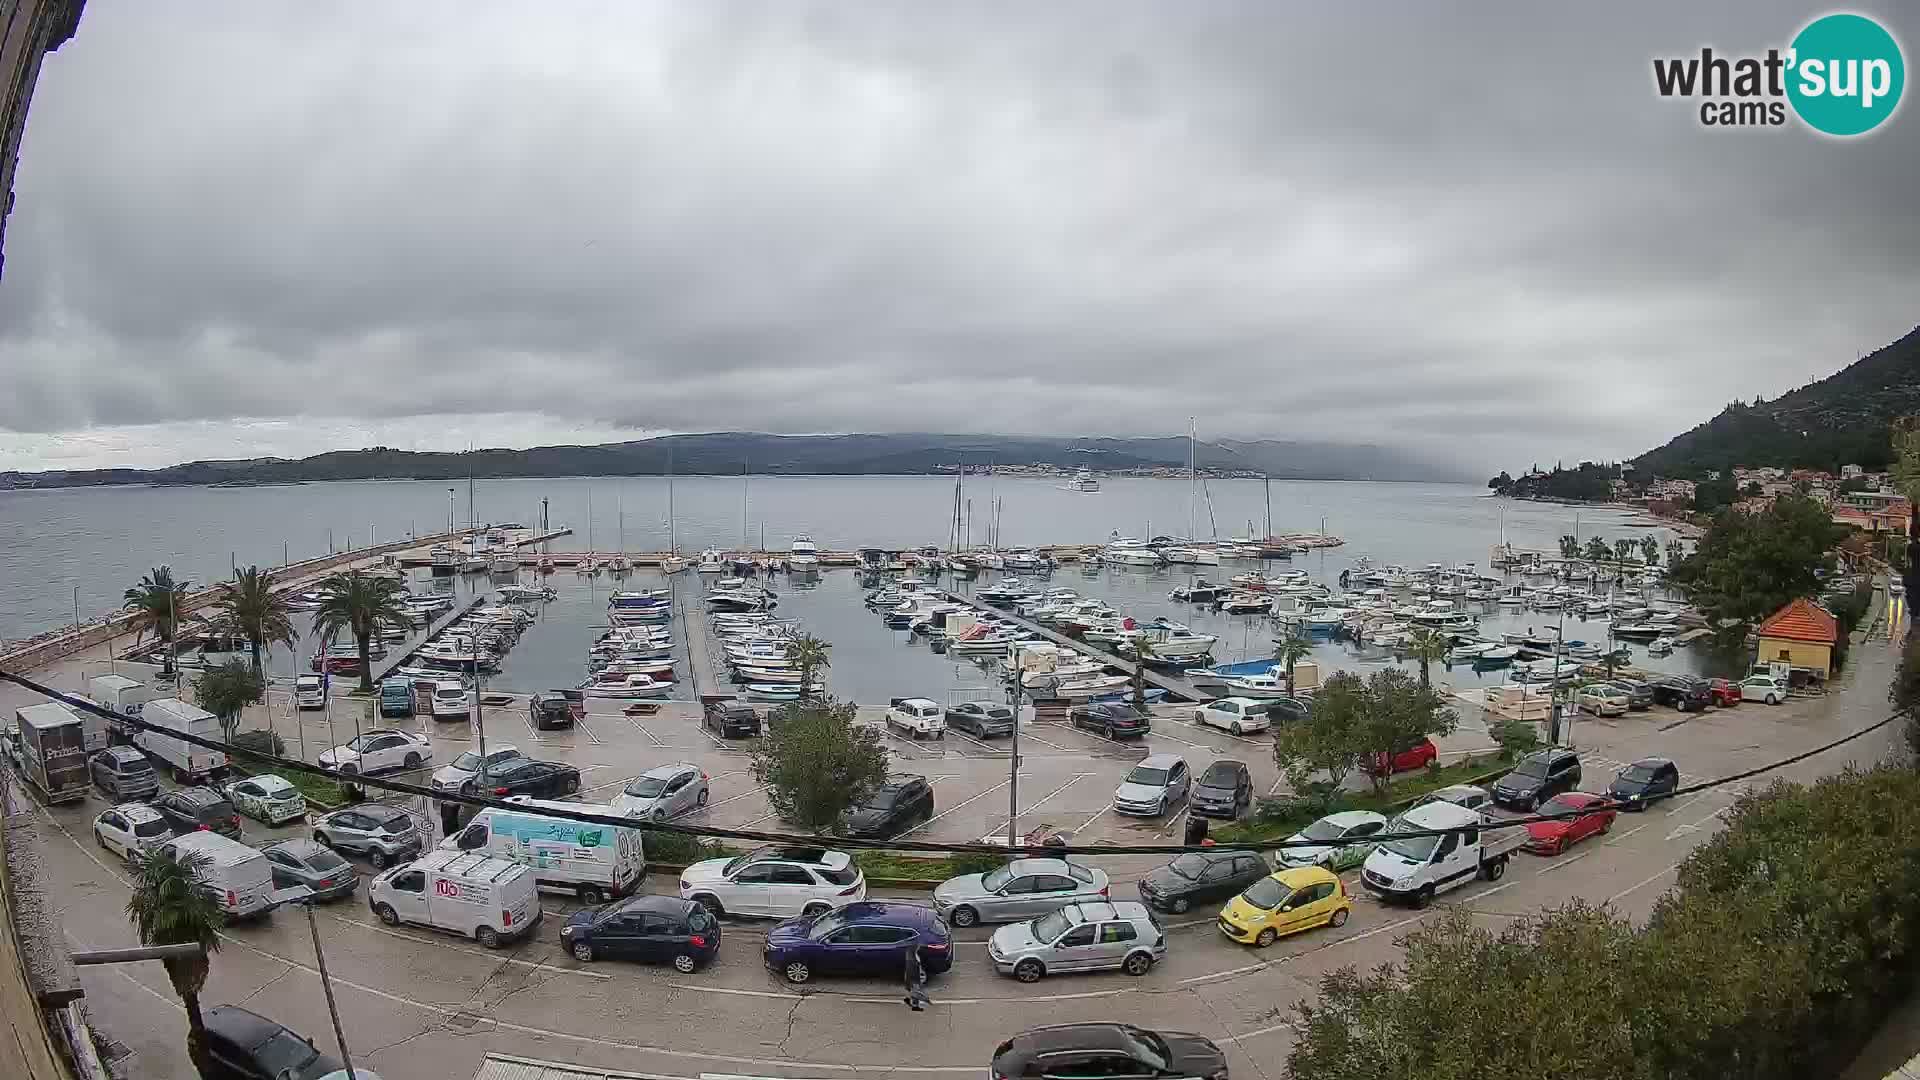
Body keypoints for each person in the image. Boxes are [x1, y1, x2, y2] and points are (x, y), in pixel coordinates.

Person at [902, 946, 929, 1011]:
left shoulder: (909, 946)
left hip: (909, 963)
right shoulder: (914, 945)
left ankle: (907, 998)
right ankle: (915, 1005)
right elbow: (916, 954)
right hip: (913, 964)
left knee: (909, 984)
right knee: (915, 985)